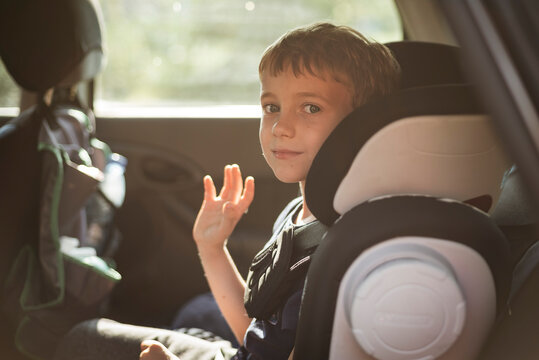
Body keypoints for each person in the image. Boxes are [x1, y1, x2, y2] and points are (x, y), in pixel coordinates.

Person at [53, 22, 400, 360]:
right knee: (187, 316)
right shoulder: (298, 212)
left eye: (311, 108)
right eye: (271, 107)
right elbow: (258, 338)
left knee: (83, 343)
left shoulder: (344, 249)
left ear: (360, 124)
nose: (281, 127)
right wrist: (212, 247)